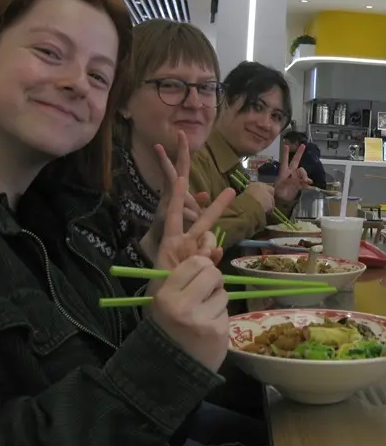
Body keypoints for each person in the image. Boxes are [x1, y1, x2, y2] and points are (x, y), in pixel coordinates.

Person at [0, 0, 273, 446]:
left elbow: (103, 367)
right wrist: (167, 351)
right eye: (50, 52)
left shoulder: (56, 216)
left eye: (98, 74)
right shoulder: (84, 207)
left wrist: (155, 264)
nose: (76, 82)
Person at [110, 19, 221, 263]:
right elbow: (88, 298)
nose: (194, 103)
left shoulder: (175, 188)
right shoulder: (94, 189)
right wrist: (153, 245)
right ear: (123, 100)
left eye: (206, 87)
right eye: (170, 85)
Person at [190, 61, 309, 246]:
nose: (265, 124)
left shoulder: (233, 169)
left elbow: (245, 239)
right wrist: (252, 205)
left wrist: (280, 200)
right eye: (256, 106)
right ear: (223, 100)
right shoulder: (194, 159)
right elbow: (191, 244)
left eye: (276, 116)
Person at [258, 131, 327, 189]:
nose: (285, 146)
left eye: (287, 144)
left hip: (315, 187)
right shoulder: (292, 152)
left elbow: (305, 169)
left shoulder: (310, 152)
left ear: (296, 144)